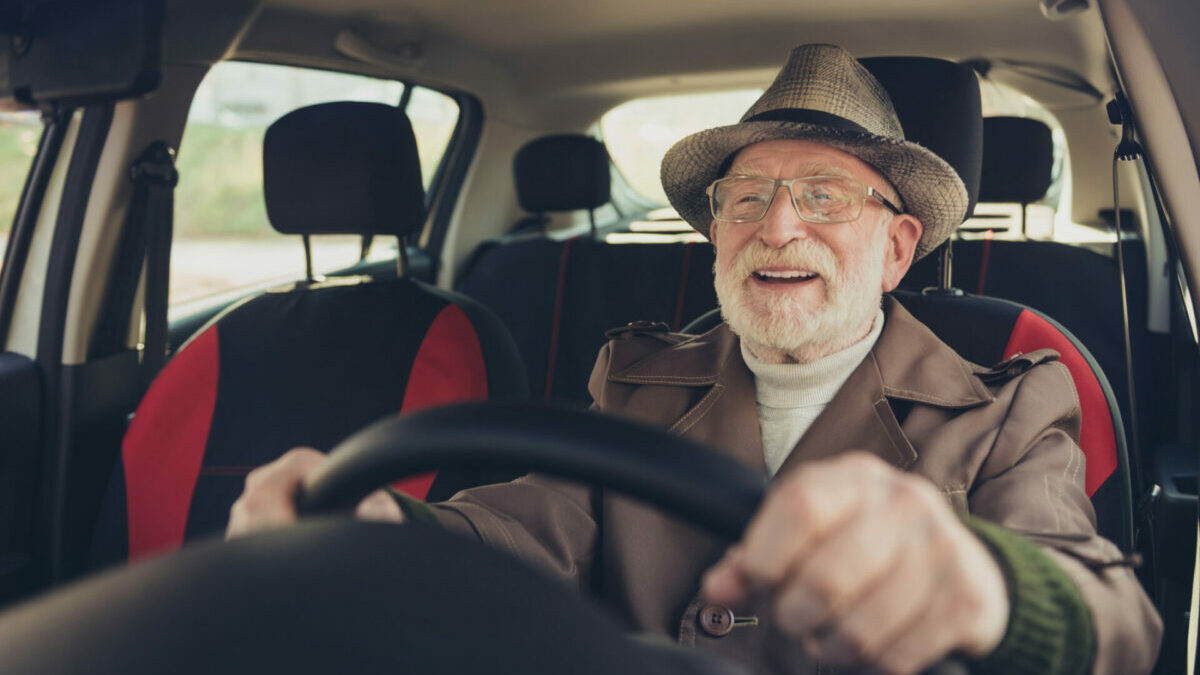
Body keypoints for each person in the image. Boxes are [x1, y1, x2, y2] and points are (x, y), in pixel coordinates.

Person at [226, 44, 1161, 674]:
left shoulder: (1012, 401)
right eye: (744, 198)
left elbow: (1119, 619)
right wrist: (387, 527)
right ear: (716, 236)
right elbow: (528, 525)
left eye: (826, 195)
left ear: (898, 249)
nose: (777, 225)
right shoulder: (634, 377)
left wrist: (985, 584)